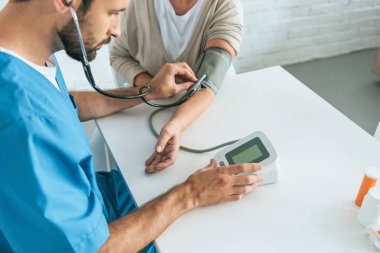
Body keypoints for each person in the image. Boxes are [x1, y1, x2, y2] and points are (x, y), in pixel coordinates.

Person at [0, 0, 263, 252]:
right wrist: (191, 193)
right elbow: (95, 249)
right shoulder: (25, 122)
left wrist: (146, 92)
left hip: (94, 199)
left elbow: (63, 101)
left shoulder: (28, 57)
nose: (116, 29)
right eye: (113, 12)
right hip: (101, 237)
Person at [110, 0, 243, 173]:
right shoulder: (135, 4)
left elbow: (208, 82)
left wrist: (175, 125)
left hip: (207, 105)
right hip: (153, 101)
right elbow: (118, 56)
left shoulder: (224, 4)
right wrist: (152, 86)